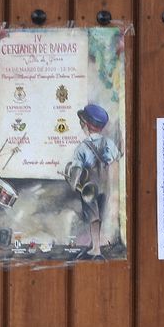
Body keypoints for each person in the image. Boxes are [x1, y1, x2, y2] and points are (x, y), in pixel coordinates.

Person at [67, 102, 121, 257]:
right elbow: (116, 157)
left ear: (86, 125)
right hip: (104, 185)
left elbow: (77, 169)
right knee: (100, 215)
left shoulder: (82, 147)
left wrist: (73, 183)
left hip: (88, 187)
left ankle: (96, 248)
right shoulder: (108, 142)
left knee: (92, 217)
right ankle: (95, 243)